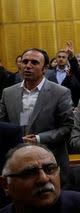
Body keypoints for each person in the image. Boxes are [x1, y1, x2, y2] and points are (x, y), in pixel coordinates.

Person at [0, 48, 74, 183]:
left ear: (44, 68)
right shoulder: (8, 93)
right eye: (25, 62)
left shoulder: (60, 92)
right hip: (17, 165)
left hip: (50, 163)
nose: (28, 66)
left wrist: (39, 139)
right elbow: (2, 126)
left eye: (34, 63)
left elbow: (68, 127)